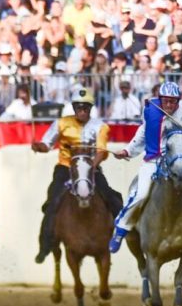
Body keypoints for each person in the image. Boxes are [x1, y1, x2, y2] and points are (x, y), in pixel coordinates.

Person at [32, 88, 123, 263]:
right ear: (74, 108)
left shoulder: (100, 126)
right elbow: (46, 144)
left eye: (86, 108)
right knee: (52, 203)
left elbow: (102, 152)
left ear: (90, 108)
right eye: (79, 108)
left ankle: (124, 233)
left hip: (91, 168)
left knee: (112, 198)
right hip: (65, 168)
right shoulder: (61, 123)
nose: (82, 111)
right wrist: (39, 147)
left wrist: (89, 168)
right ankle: (45, 246)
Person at [108, 82, 182, 252]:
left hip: (177, 163)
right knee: (140, 194)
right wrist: (127, 151)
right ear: (160, 99)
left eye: (173, 102)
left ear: (178, 101)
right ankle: (121, 228)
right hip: (153, 161)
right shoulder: (151, 111)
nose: (169, 105)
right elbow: (143, 133)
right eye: (166, 101)